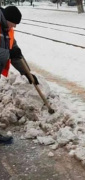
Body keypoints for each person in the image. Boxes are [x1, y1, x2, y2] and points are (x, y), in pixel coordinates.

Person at [0, 6, 39, 144]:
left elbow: (16, 54)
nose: (15, 26)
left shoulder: (8, 30)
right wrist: (8, 53)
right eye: (14, 23)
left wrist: (27, 73)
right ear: (7, 19)